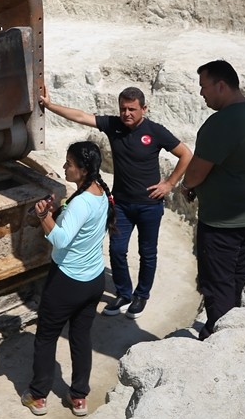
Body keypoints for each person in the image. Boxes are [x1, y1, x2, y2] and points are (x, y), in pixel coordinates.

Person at [40, 84, 192, 319]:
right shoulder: (114, 125)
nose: (126, 114)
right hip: (121, 204)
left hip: (149, 205)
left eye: (132, 109)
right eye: (123, 109)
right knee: (117, 250)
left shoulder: (155, 131)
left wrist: (169, 184)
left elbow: (186, 154)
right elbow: (81, 116)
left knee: (147, 253)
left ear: (144, 109)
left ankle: (141, 295)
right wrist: (50, 106)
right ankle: (124, 293)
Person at [21, 141, 115, 418]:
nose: (64, 167)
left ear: (83, 169)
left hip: (67, 281)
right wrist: (58, 213)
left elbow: (61, 240)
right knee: (81, 337)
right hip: (94, 279)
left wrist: (43, 216)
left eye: (69, 164)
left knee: (46, 337)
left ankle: (38, 396)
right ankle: (78, 397)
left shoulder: (81, 203)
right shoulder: (99, 193)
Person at [178, 60, 245, 340]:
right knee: (239, 273)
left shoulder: (222, 122)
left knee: (217, 282)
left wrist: (186, 186)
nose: (201, 93)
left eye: (203, 87)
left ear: (221, 86)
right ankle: (240, 325)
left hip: (222, 221)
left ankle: (220, 335)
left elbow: (196, 171)